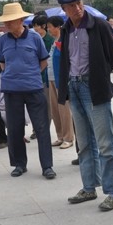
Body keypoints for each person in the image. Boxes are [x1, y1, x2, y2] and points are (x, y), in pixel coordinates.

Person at [56, 0, 113, 211]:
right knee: (84, 143)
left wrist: (99, 76)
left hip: (93, 86)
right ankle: (89, 187)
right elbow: (66, 59)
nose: (77, 8)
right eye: (71, 6)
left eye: (79, 3)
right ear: (64, 9)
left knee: (105, 143)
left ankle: (112, 192)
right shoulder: (66, 29)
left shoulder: (99, 25)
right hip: (73, 86)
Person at [0, 3, 55, 179]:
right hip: (11, 90)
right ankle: (19, 164)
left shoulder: (34, 38)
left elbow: (43, 61)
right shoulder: (2, 40)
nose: (6, 24)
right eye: (5, 21)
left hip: (34, 88)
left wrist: (31, 74)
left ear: (20, 20)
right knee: (14, 129)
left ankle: (47, 166)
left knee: (41, 128)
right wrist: (12, 75)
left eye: (10, 21)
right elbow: (2, 63)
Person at [45, 15, 75, 149]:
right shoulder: (54, 41)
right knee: (55, 110)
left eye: (50, 27)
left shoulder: (65, 40)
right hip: (51, 78)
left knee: (64, 110)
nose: (48, 30)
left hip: (61, 80)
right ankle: (60, 136)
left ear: (58, 27)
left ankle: (68, 137)